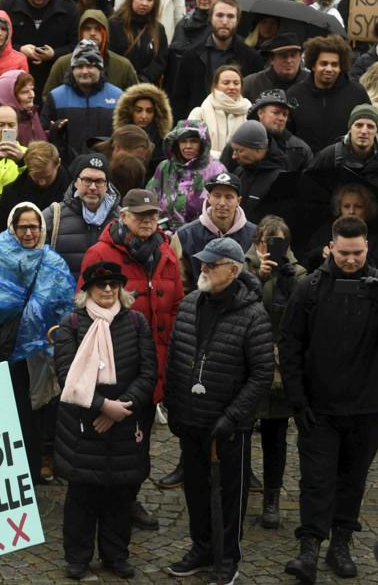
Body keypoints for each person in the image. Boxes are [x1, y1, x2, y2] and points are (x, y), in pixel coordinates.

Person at [280, 215, 378, 583]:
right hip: (320, 406)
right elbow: (290, 344)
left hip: (368, 405)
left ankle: (341, 542)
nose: (350, 260)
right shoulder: (311, 287)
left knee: (353, 480)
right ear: (331, 248)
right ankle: (310, 546)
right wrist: (297, 400)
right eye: (343, 253)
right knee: (316, 480)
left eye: (357, 253)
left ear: (366, 248)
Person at [163, 237, 273, 584]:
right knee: (194, 489)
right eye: (204, 262)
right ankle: (202, 547)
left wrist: (232, 418)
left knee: (229, 494)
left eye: (212, 264)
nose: (204, 268)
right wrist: (173, 404)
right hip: (190, 419)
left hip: (228, 425)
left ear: (234, 270)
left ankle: (227, 556)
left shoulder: (253, 314)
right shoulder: (190, 303)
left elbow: (261, 375)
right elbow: (177, 357)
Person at [79, 189, 183, 529]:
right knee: (108, 436)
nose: (147, 221)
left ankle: (129, 497)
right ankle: (101, 500)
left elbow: (178, 304)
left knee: (141, 437)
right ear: (123, 216)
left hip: (156, 363)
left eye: (152, 215)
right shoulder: (100, 252)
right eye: (139, 215)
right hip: (115, 362)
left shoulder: (165, 252)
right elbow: (83, 307)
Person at [51, 261, 156, 580]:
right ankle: (78, 557)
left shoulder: (136, 322)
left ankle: (115, 555)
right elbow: (67, 376)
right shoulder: (71, 324)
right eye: (101, 285)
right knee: (81, 497)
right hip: (83, 426)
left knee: (119, 495)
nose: (108, 289)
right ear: (87, 291)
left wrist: (120, 407)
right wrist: (100, 407)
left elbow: (148, 372)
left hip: (123, 422)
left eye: (114, 284)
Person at [0, 201, 74, 482]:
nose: (29, 232)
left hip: (34, 354)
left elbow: (63, 303)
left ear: (42, 228)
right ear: (13, 227)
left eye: (34, 226)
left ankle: (28, 471)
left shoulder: (52, 262)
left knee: (30, 412)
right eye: (23, 226)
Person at [240, 215, 305, 532]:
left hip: (279, 368)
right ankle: (237, 491)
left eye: (280, 242)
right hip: (246, 364)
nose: (273, 248)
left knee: (275, 438)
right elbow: (235, 307)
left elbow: (301, 318)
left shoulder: (299, 274)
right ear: (257, 243)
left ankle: (271, 499)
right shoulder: (243, 268)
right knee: (239, 433)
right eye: (268, 242)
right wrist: (259, 277)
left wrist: (290, 280)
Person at [165, 0, 262, 120]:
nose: (225, 21)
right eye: (220, 15)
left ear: (237, 20)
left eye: (230, 16)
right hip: (200, 127)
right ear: (210, 18)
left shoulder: (251, 58)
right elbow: (179, 100)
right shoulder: (191, 57)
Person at [174, 171, 256, 293]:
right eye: (217, 196)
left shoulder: (255, 234)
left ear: (238, 201)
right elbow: (178, 285)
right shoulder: (184, 235)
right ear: (208, 198)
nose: (222, 203)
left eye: (229, 197)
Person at [41, 40, 121, 160]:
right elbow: (43, 134)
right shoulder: (56, 97)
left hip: (107, 166)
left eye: (90, 66)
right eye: (79, 66)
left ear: (100, 68)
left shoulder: (118, 96)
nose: (84, 71)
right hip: (67, 166)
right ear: (72, 69)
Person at [289, 35, 370, 152]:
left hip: (344, 165)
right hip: (305, 165)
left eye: (334, 65)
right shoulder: (295, 94)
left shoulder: (357, 94)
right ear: (313, 65)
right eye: (324, 63)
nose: (329, 69)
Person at [3, 0, 79, 84]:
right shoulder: (9, 6)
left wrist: (54, 54)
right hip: (17, 80)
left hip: (57, 79)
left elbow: (76, 45)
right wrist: (20, 50)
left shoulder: (69, 9)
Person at [308, 104, 378, 197]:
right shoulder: (329, 156)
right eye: (359, 125)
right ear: (350, 128)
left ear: (377, 132)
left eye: (370, 127)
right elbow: (310, 192)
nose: (364, 131)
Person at [109, 0, 170, 86]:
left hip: (147, 86)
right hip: (119, 85)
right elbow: (110, 55)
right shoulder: (114, 24)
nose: (144, 3)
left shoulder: (158, 29)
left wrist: (144, 78)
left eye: (149, 0)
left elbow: (161, 59)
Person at [188, 64, 252, 156]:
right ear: (215, 86)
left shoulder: (250, 112)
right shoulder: (199, 113)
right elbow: (191, 145)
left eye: (236, 83)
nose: (232, 87)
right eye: (226, 83)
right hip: (206, 166)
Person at [242, 34, 310, 98]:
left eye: (293, 55)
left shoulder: (312, 81)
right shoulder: (251, 84)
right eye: (283, 56)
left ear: (300, 57)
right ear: (272, 59)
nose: (289, 60)